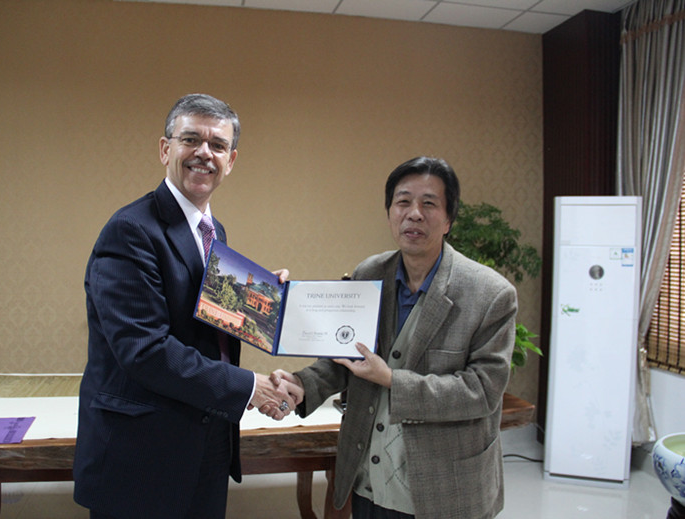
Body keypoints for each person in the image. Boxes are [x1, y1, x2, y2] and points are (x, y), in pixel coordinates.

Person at [73, 93, 299, 519]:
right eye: (191, 139)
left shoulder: (214, 232)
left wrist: (263, 299)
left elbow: (200, 319)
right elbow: (145, 350)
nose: (204, 153)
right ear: (165, 149)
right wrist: (249, 387)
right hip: (141, 460)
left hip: (205, 443)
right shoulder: (131, 229)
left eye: (218, 145)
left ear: (231, 160)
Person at [274, 156, 518, 519]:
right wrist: (301, 384)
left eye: (429, 204)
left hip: (444, 489)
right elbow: (347, 355)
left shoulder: (490, 294)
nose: (414, 214)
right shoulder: (370, 273)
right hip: (368, 480)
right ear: (390, 212)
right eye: (403, 202)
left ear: (449, 219)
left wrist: (390, 379)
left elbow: (481, 392)